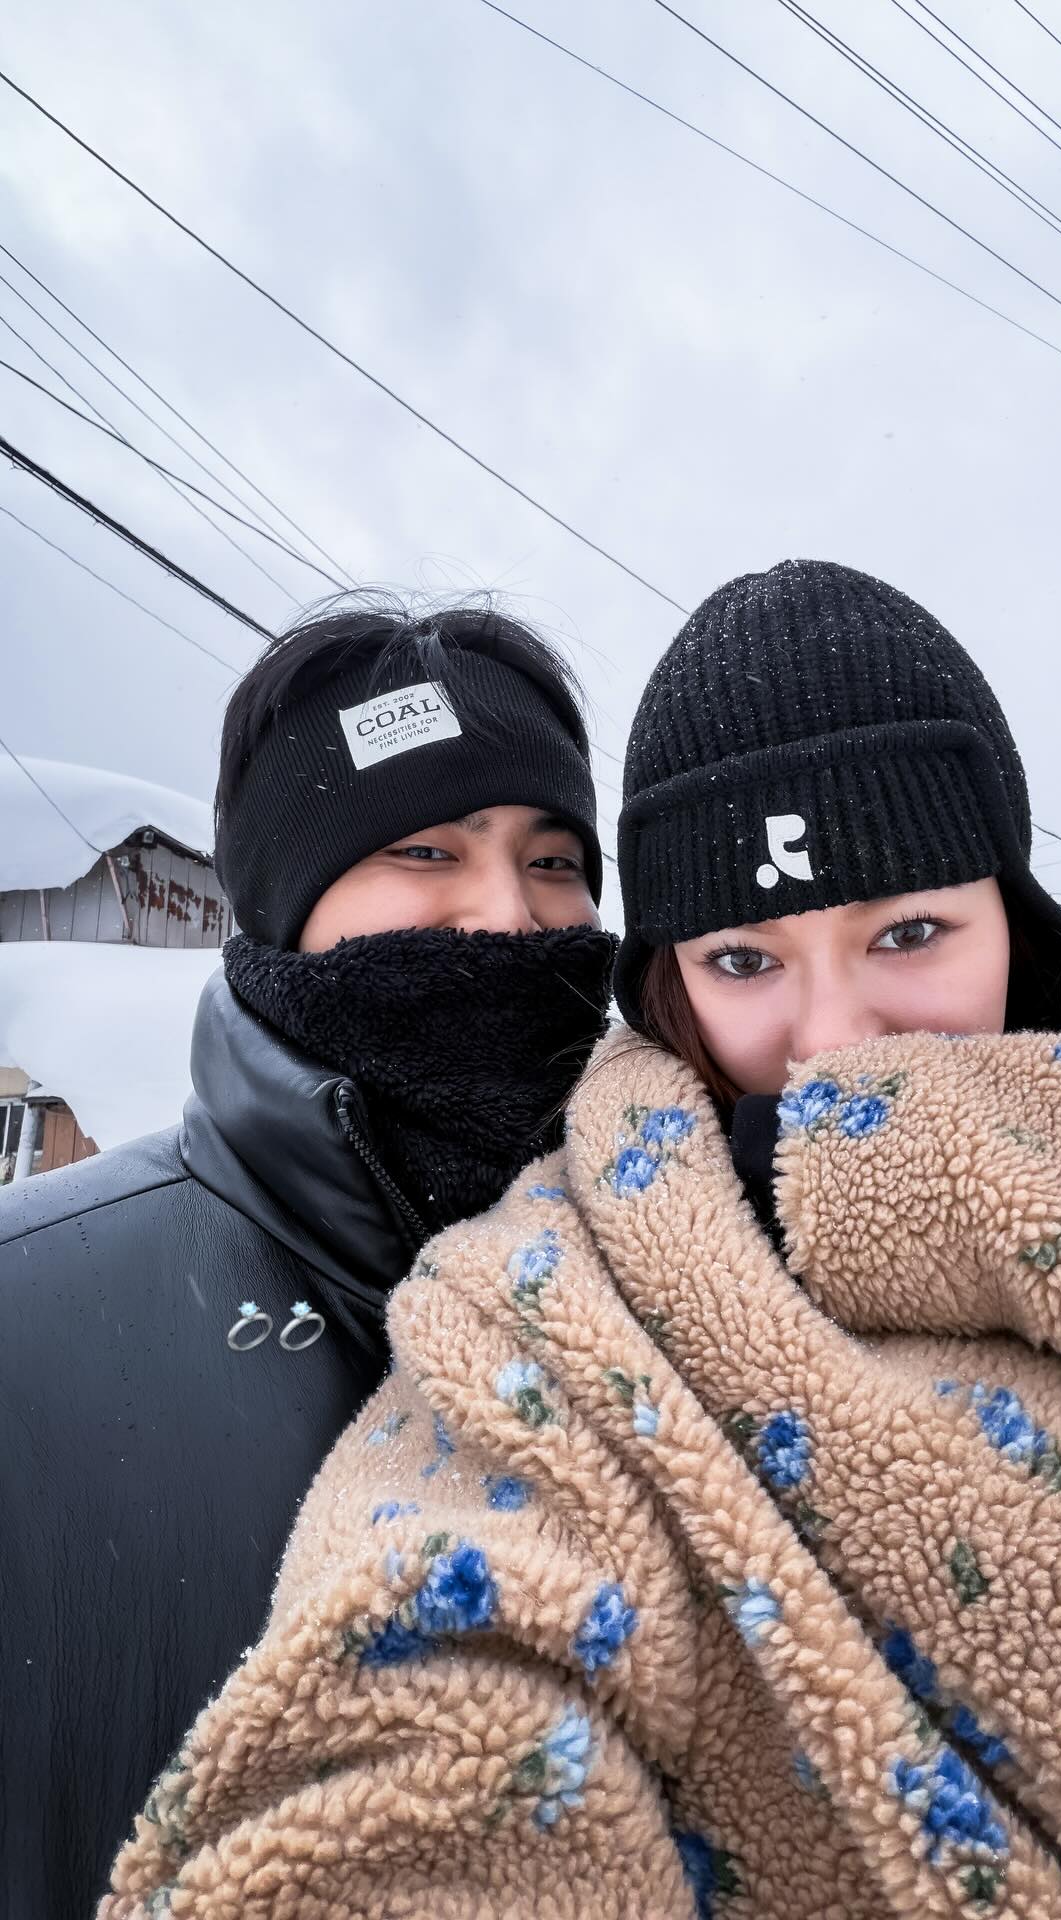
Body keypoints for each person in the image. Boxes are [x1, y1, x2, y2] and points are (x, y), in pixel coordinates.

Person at [104, 564, 1061, 1920]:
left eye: (911, 932)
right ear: (673, 979)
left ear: (1016, 925)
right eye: (745, 959)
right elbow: (439, 1674)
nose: (833, 1040)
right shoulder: (543, 1308)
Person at [0, 597, 617, 1919]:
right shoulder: (26, 1318)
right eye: (425, 847)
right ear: (284, 903)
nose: (511, 917)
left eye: (557, 858)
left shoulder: (686, 1286)